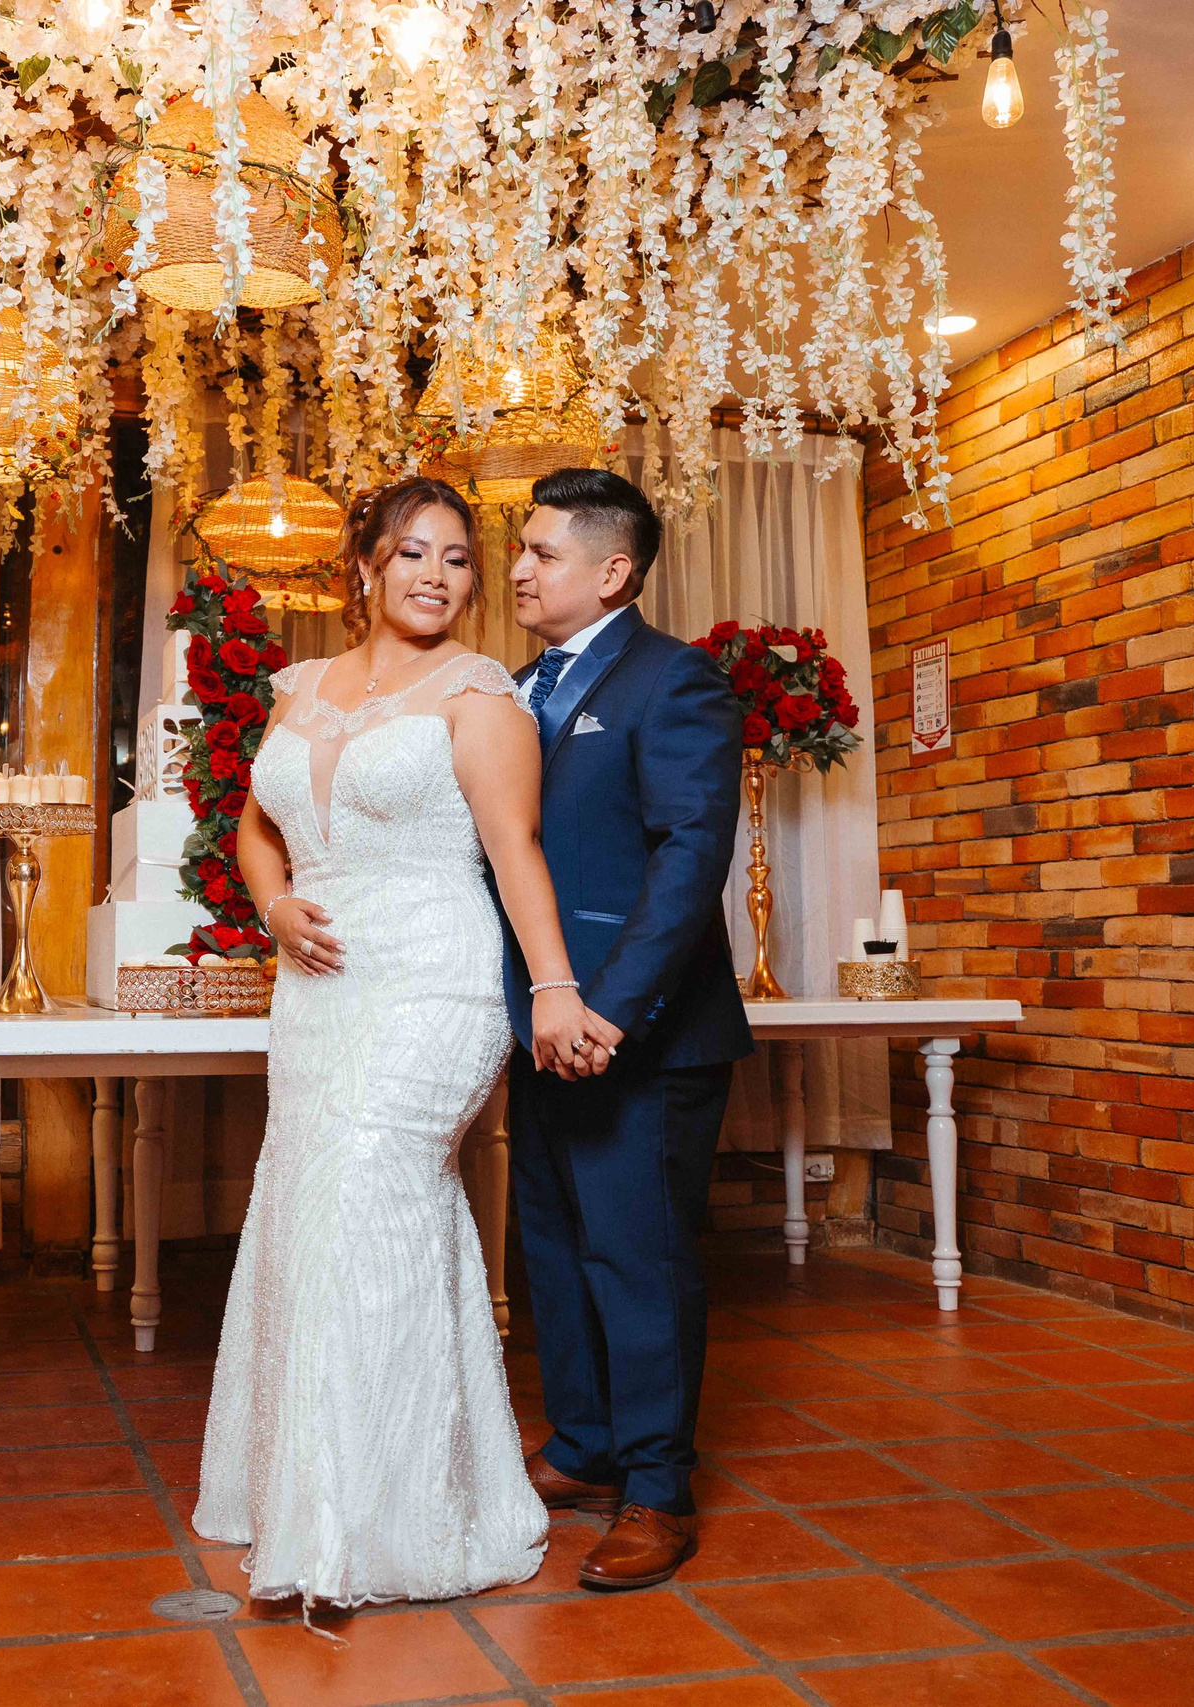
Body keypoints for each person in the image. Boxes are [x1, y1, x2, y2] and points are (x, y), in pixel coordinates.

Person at [194, 475, 604, 1610]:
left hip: (434, 979)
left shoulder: (480, 695)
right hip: (317, 990)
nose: (438, 574)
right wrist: (273, 906)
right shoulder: (301, 687)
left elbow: (517, 852)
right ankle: (326, 1497)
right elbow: (252, 827)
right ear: (364, 569)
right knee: (307, 1208)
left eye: (459, 558)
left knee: (371, 1195)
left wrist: (555, 989)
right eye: (413, 553)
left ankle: (374, 1521)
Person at [500, 466, 749, 1590]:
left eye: (541, 552)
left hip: (641, 1032)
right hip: (536, 1023)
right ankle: (586, 1445)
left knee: (635, 1257)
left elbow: (689, 860)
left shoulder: (674, 681)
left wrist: (607, 1010)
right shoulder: (512, 688)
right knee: (551, 1249)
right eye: (519, 548)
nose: (515, 567)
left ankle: (656, 1487)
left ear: (612, 571)